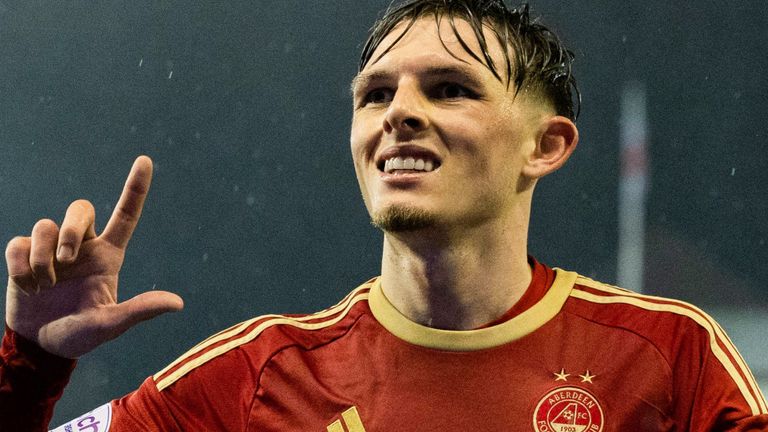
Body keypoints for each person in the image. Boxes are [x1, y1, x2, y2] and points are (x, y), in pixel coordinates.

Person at [2, 0, 767, 430]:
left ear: (547, 144)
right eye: (375, 94)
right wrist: (28, 364)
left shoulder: (671, 359)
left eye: (449, 89)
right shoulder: (255, 377)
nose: (397, 114)